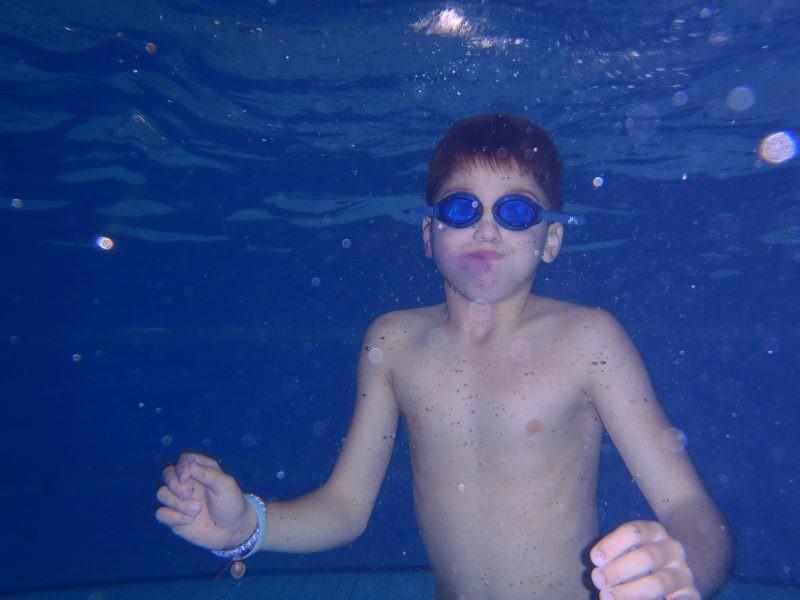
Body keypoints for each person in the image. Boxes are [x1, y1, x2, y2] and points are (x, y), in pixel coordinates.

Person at [156, 114, 733, 599]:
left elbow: (689, 507)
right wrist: (245, 525)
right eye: (462, 209)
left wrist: (685, 567)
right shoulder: (392, 343)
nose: (487, 229)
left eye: (516, 211)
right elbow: (345, 508)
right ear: (429, 234)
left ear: (551, 240)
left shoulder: (590, 339)